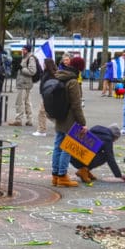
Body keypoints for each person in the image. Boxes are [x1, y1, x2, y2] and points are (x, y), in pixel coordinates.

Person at [50, 56, 87, 187]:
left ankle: (55, 176)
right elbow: (76, 105)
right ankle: (62, 176)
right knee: (67, 148)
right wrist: (82, 123)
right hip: (70, 119)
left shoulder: (60, 76)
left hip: (59, 116)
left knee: (57, 146)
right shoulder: (73, 81)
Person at [10, 44, 36, 126]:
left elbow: (32, 71)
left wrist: (21, 68)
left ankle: (18, 120)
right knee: (27, 102)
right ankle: (29, 120)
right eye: (22, 49)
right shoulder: (25, 58)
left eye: (24, 49)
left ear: (28, 50)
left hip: (24, 84)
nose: (22, 51)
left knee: (20, 102)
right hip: (25, 83)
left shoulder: (30, 58)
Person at [32, 58, 58, 136]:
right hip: (45, 95)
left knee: (42, 112)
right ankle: (60, 125)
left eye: (44, 63)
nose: (43, 65)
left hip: (48, 96)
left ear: (48, 64)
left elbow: (51, 85)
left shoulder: (51, 74)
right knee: (46, 113)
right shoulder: (45, 72)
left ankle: (41, 130)